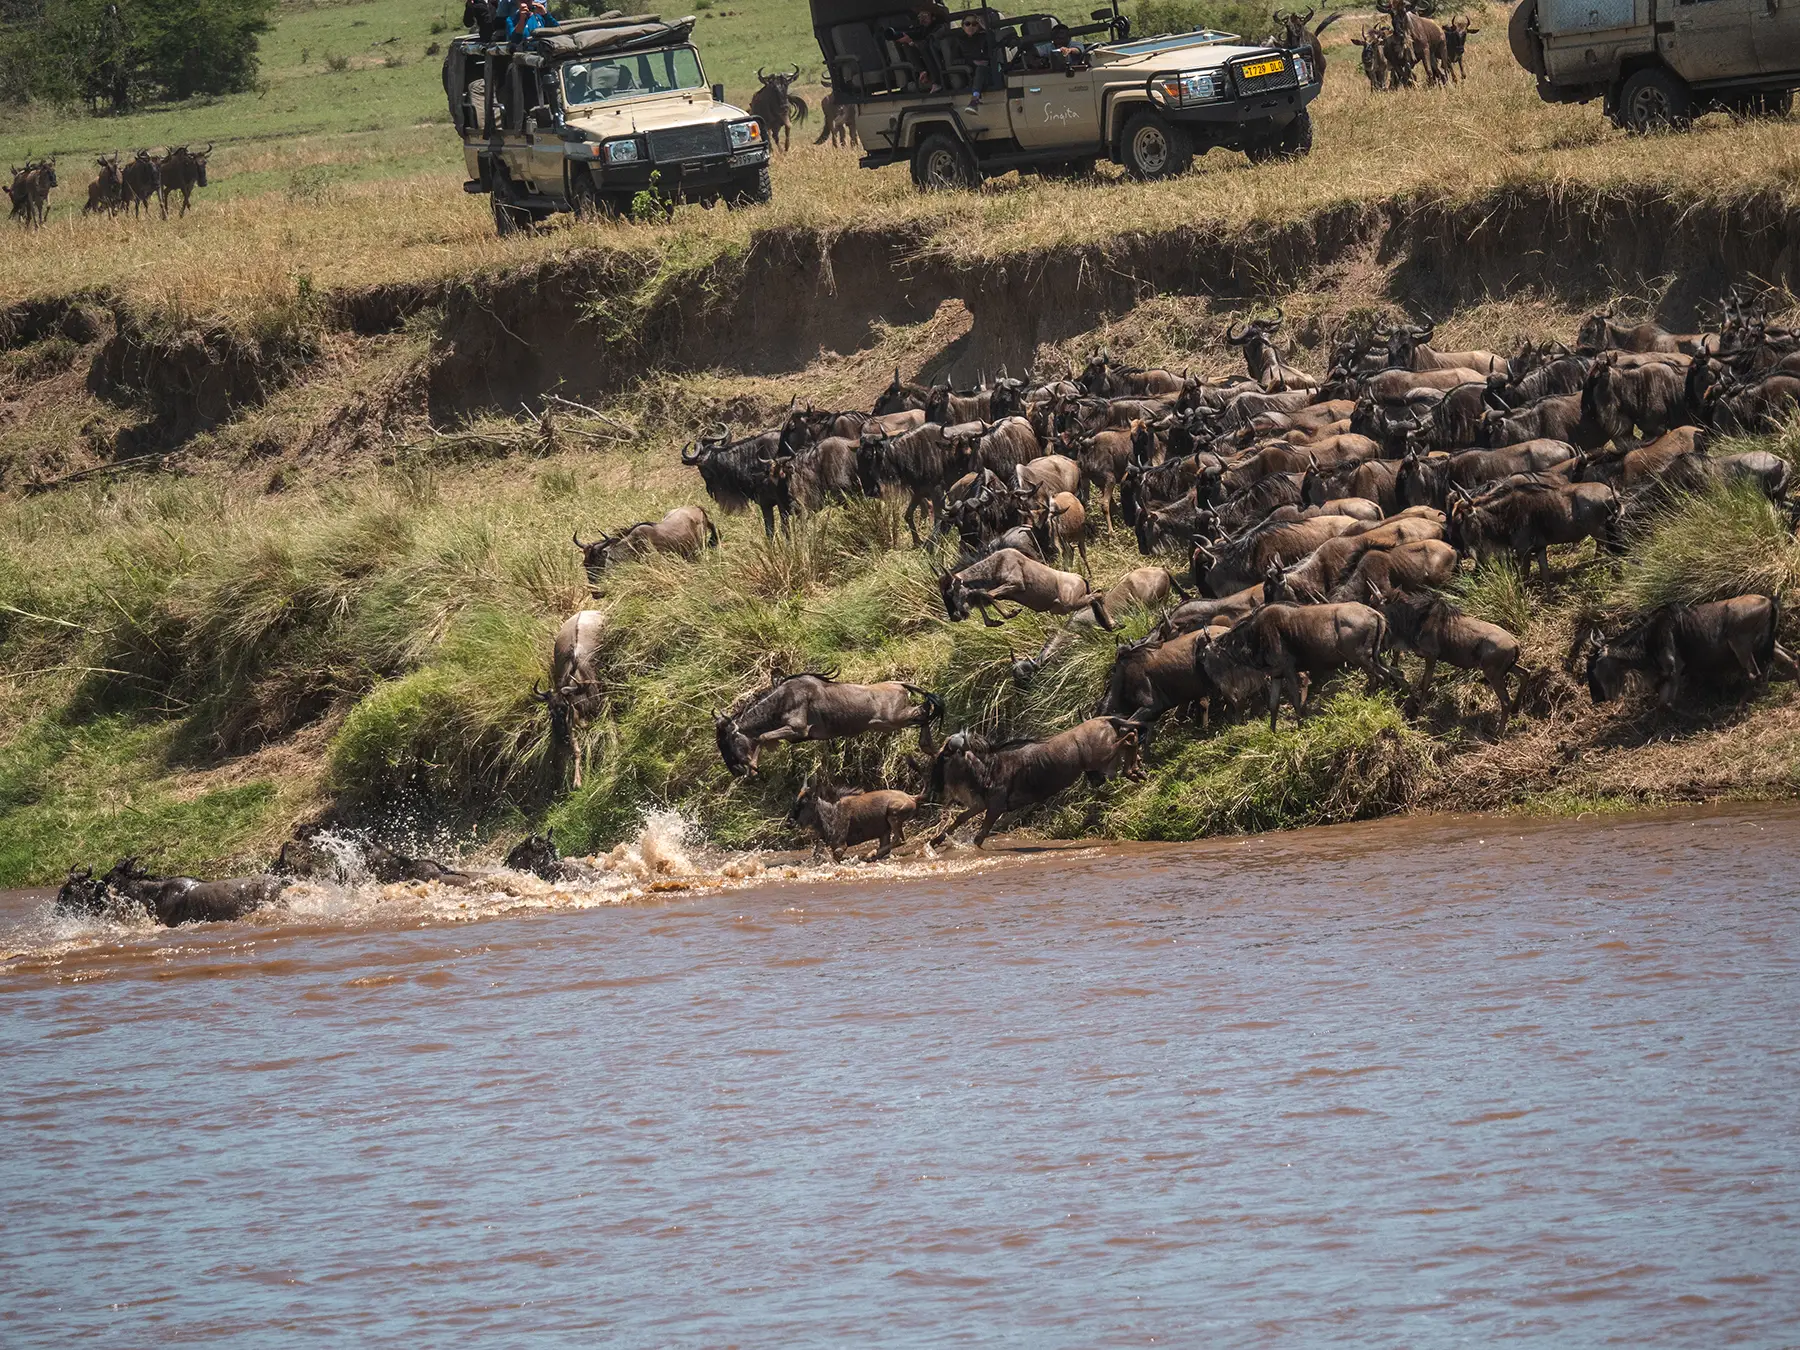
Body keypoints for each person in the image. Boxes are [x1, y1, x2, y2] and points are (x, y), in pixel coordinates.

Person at [951, 11, 992, 114]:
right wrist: (972, 61)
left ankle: (975, 98)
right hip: (971, 72)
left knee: (982, 68)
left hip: (988, 70)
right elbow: (954, 60)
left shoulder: (984, 37)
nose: (971, 26)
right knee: (979, 69)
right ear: (963, 26)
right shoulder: (959, 41)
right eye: (967, 24)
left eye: (974, 24)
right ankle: (975, 99)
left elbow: (994, 48)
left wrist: (986, 29)